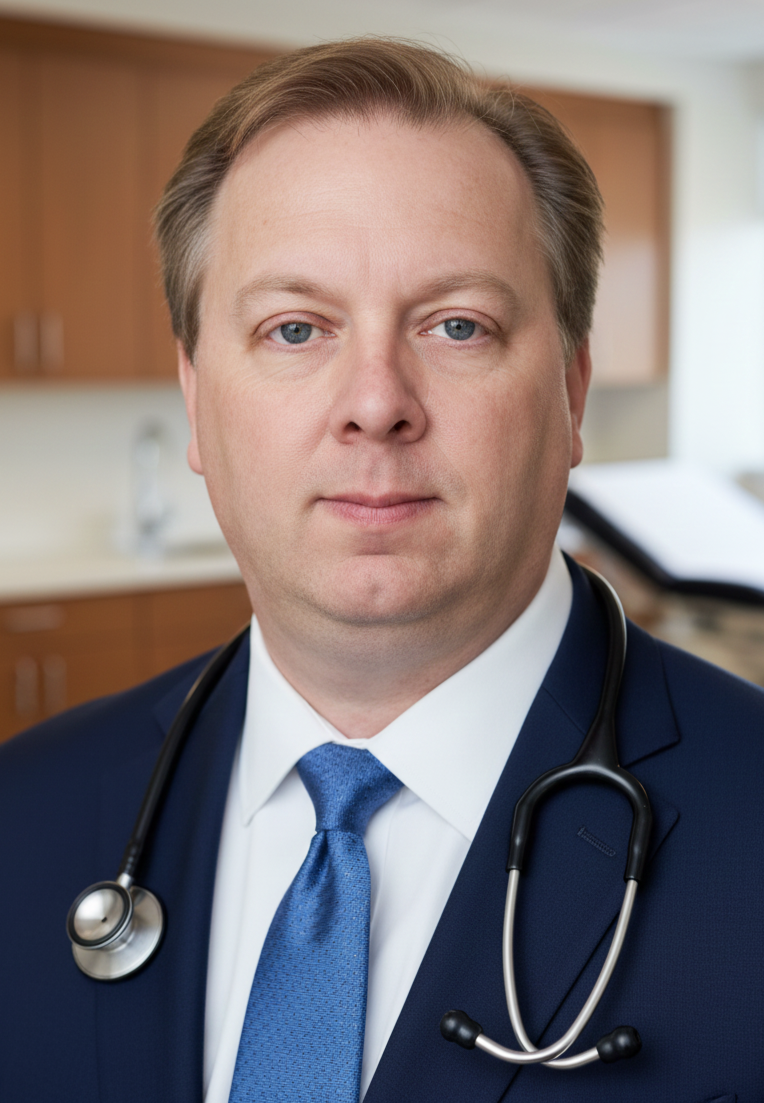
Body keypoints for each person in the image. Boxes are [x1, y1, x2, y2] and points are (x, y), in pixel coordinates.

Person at [0, 37, 762, 1103]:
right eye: (294, 327)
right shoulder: (20, 815)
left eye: (456, 324)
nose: (374, 399)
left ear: (570, 390)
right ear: (196, 398)